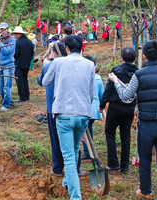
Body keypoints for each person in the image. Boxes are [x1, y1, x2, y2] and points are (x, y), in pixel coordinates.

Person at [109, 40, 157, 200]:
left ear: (144, 56)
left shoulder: (139, 75)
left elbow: (127, 96)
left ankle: (146, 191)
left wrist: (116, 84)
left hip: (146, 124)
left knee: (145, 159)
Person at [42, 35, 95, 200]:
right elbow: (91, 92)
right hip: (83, 114)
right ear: (81, 48)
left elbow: (45, 82)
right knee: (73, 149)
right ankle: (67, 181)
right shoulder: (90, 64)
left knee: (69, 158)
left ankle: (75, 196)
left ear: (66, 48)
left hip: (64, 115)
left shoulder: (58, 62)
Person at [99, 47, 138, 172]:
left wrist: (102, 104)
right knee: (125, 135)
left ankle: (113, 163)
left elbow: (109, 88)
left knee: (110, 132)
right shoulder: (137, 72)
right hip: (129, 107)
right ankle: (125, 166)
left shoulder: (116, 70)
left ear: (122, 58)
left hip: (116, 107)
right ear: (134, 59)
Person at [37, 41, 68, 175]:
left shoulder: (49, 66)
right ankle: (73, 167)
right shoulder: (71, 66)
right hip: (69, 108)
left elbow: (40, 82)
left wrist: (45, 65)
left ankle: (57, 168)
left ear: (54, 53)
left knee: (55, 139)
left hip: (53, 109)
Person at [81, 56, 104, 161]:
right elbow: (101, 94)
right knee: (89, 129)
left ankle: (88, 153)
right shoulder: (98, 78)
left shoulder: (82, 77)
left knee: (85, 130)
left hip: (85, 106)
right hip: (95, 108)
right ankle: (90, 152)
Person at [12, 26, 35, 102]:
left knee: (20, 81)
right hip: (27, 64)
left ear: (18, 34)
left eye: (15, 34)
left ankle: (22, 97)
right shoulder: (29, 41)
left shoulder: (18, 42)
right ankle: (26, 96)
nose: (15, 35)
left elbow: (16, 54)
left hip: (19, 64)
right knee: (25, 80)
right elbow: (32, 53)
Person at [0, 22, 15, 111]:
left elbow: (7, 51)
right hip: (0, 64)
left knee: (7, 86)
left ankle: (6, 104)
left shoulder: (12, 39)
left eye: (4, 29)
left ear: (8, 29)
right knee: (0, 86)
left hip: (9, 64)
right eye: (1, 29)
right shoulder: (0, 39)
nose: (2, 31)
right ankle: (8, 100)